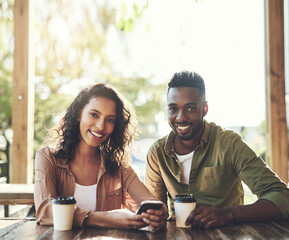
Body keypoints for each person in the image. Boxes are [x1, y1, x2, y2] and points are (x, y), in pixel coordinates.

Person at [145, 71, 289, 229]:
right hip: (180, 235)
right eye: (173, 109)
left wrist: (228, 214)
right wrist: (154, 216)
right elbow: (154, 212)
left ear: (205, 109)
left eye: (191, 108)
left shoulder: (229, 143)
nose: (181, 117)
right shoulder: (157, 153)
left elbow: (282, 196)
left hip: (227, 234)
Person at [34, 83, 168, 231]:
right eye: (94, 114)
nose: (100, 126)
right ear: (79, 113)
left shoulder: (119, 166)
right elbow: (45, 212)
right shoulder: (48, 157)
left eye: (110, 120)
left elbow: (150, 203)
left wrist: (158, 214)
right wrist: (106, 218)